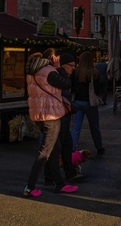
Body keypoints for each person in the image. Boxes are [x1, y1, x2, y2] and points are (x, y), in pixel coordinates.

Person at [25, 52, 78, 198]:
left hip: (38, 116)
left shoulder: (32, 72)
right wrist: (58, 67)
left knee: (54, 150)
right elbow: (67, 84)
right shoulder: (49, 72)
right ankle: (30, 187)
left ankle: (59, 183)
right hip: (51, 115)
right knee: (45, 152)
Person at [43, 50, 81, 186]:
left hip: (63, 118)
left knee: (66, 146)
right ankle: (50, 177)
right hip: (58, 118)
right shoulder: (57, 77)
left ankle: (69, 172)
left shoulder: (63, 77)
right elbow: (62, 98)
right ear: (63, 65)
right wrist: (73, 107)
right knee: (55, 149)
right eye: (72, 65)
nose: (74, 68)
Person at [70, 52, 104, 155]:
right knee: (94, 126)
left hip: (77, 102)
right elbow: (97, 90)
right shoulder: (94, 72)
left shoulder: (75, 72)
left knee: (76, 127)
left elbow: (72, 87)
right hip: (90, 103)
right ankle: (99, 147)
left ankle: (72, 147)